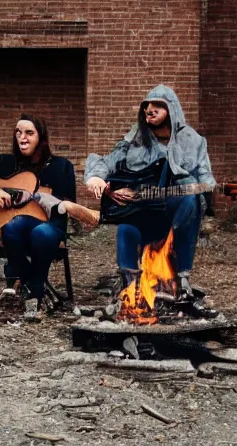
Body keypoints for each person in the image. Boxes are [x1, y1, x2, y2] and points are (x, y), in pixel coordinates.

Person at [84, 85, 215, 298]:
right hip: (142, 211)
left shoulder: (194, 141)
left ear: (172, 110)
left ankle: (182, 279)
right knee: (126, 227)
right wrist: (97, 177)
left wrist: (204, 188)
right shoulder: (135, 138)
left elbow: (206, 181)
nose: (150, 110)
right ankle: (129, 288)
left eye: (158, 105)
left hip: (179, 214)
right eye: (147, 105)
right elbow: (109, 161)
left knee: (190, 194)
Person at [0, 114, 97, 322]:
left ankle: (33, 291)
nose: (22, 137)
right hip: (17, 227)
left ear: (41, 137)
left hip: (50, 224)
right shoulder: (5, 162)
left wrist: (47, 201)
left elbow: (65, 205)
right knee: (13, 225)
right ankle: (34, 288)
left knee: (41, 232)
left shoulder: (60, 166)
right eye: (18, 133)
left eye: (29, 132)